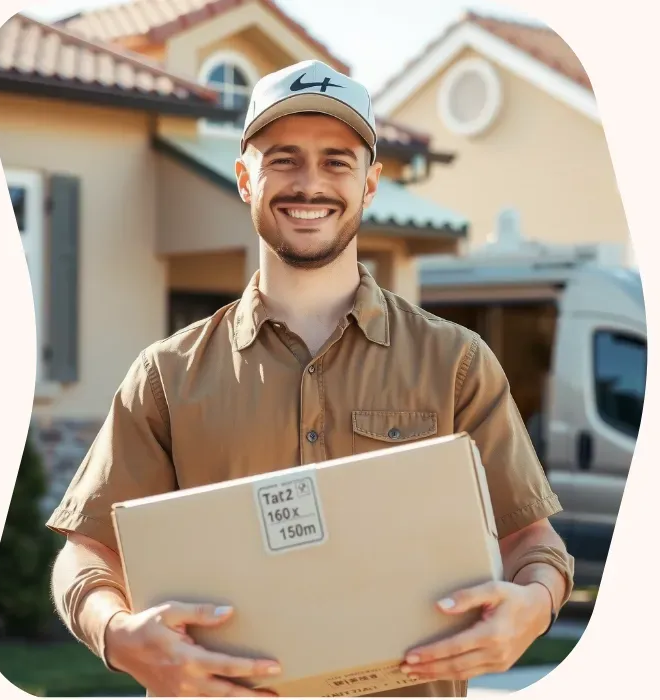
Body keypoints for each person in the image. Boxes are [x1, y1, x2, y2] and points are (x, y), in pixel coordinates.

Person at [47, 60, 574, 698]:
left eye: (337, 161)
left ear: (371, 183)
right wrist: (118, 635)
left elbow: (532, 544)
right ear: (246, 178)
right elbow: (86, 554)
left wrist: (534, 607)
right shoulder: (165, 376)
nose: (310, 184)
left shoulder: (456, 363)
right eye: (285, 159)